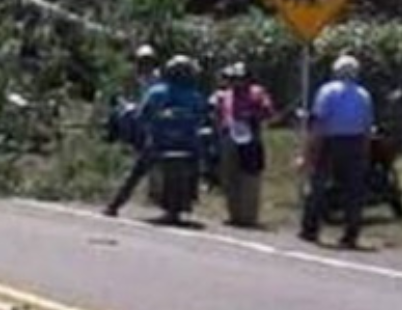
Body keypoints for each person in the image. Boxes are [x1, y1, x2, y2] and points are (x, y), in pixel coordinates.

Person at [105, 55, 208, 217]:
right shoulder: (195, 96)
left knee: (137, 172)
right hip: (186, 143)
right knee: (195, 166)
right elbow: (201, 119)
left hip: (159, 142)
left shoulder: (157, 91)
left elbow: (142, 115)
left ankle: (115, 204)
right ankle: (188, 201)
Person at [300, 54, 374, 248]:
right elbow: (367, 128)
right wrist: (365, 151)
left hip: (330, 141)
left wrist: (310, 149)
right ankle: (351, 233)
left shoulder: (327, 91)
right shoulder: (363, 94)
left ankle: (310, 228)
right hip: (355, 142)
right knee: (353, 190)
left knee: (318, 184)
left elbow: (319, 122)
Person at [210, 62, 276, 227]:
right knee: (229, 177)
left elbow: (268, 112)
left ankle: (248, 216)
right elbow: (218, 114)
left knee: (250, 179)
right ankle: (234, 214)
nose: (236, 82)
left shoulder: (257, 93)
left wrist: (252, 114)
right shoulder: (225, 95)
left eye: (240, 78)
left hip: (250, 139)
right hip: (229, 138)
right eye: (233, 79)